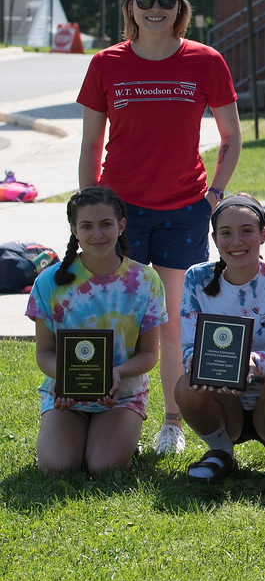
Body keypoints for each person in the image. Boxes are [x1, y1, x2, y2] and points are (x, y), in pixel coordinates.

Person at [77, 0, 241, 457]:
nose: (155, 8)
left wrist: (214, 194)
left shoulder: (206, 61)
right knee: (119, 317)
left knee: (171, 323)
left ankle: (172, 422)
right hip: (119, 213)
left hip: (183, 209)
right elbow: (91, 144)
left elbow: (231, 137)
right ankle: (108, 408)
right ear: (130, 7)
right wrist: (90, 212)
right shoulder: (106, 64)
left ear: (179, 7)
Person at [174, 194, 265, 487]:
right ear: (215, 239)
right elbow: (189, 349)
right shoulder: (197, 278)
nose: (236, 241)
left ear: (263, 234)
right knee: (186, 386)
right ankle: (220, 451)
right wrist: (200, 365)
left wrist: (250, 363)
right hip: (224, 400)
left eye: (247, 231)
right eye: (225, 233)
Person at [28, 187, 164, 475]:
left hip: (122, 395)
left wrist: (117, 373)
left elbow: (149, 355)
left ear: (121, 225)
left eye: (106, 224)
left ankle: (120, 434)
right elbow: (44, 353)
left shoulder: (145, 280)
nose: (97, 234)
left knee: (105, 467)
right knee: (57, 466)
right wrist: (63, 378)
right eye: (87, 226)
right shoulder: (49, 281)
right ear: (74, 229)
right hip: (66, 396)